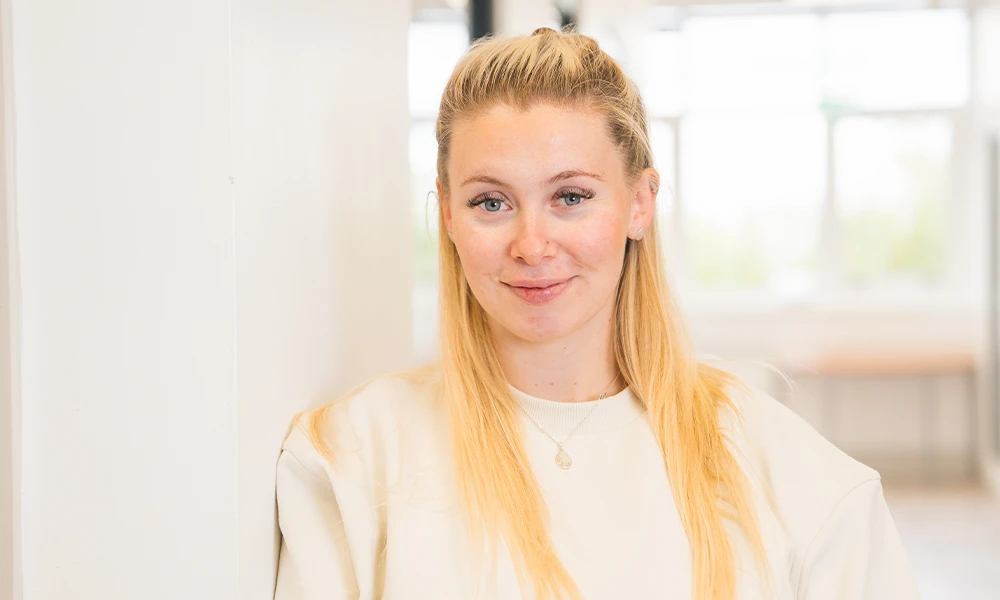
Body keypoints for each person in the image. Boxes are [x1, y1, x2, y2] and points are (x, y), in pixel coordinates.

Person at [272, 28, 921, 600]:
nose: (532, 245)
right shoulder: (351, 459)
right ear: (446, 212)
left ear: (640, 202)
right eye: (491, 203)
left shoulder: (792, 474)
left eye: (571, 197)